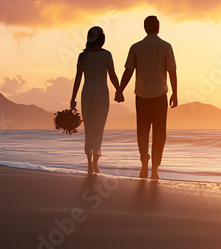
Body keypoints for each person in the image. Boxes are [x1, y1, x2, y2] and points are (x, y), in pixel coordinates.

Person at [116, 15, 178, 179]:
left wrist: (120, 90)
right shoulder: (166, 47)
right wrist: (175, 93)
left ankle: (144, 163)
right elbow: (172, 71)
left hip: (142, 95)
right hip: (160, 95)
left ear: (145, 28)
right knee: (160, 132)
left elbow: (128, 71)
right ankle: (155, 169)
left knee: (142, 131)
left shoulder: (136, 47)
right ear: (158, 28)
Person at [70, 26, 119, 175]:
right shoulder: (107, 55)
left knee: (89, 128)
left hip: (87, 94)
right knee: (98, 128)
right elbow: (112, 75)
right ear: (102, 39)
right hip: (102, 95)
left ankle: (89, 164)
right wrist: (119, 90)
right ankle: (95, 163)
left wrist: (72, 98)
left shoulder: (83, 56)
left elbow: (78, 79)